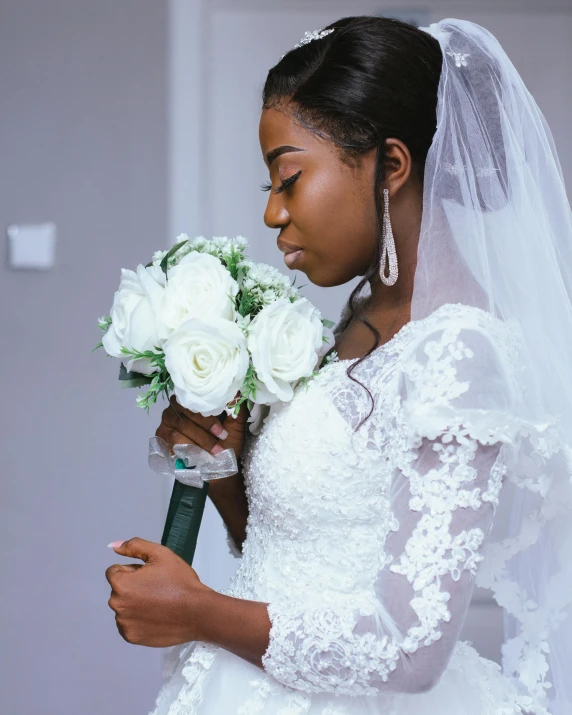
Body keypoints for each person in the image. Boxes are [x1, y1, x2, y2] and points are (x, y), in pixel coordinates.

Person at [105, 15, 572, 715]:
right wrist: (223, 466)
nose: (271, 213)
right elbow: (291, 553)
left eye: (288, 178)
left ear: (391, 165)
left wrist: (198, 610)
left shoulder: (458, 353)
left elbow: (410, 649)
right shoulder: (358, 321)